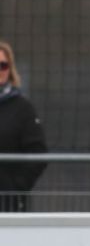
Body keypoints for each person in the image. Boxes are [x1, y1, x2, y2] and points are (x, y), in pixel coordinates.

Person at [0, 41, 47, 212]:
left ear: (10, 70)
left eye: (3, 65)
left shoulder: (23, 108)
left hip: (7, 205)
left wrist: (15, 188)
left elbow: (39, 154)